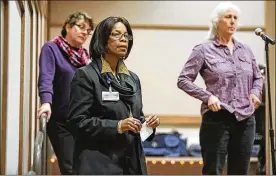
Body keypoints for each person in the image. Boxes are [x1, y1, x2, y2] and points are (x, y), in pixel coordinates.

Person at [177, 2, 263, 175]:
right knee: (213, 171)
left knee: (240, 171)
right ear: (217, 21)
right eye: (228, 17)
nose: (232, 21)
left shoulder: (245, 50)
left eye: (235, 18)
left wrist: (255, 92)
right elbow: (183, 79)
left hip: (245, 119)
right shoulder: (203, 50)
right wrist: (207, 97)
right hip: (217, 119)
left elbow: (257, 77)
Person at [67, 16, 160, 175]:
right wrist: (117, 126)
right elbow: (77, 122)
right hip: (98, 164)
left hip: (131, 164)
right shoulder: (86, 75)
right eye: (116, 34)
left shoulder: (132, 79)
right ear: (102, 39)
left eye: (126, 36)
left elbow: (136, 117)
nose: (124, 40)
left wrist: (148, 125)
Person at [37, 11, 93, 174]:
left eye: (88, 30)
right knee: (70, 168)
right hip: (62, 121)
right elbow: (46, 77)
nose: (85, 32)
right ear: (68, 26)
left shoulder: (85, 57)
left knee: (86, 168)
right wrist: (46, 102)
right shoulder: (52, 49)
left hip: (85, 120)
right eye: (81, 27)